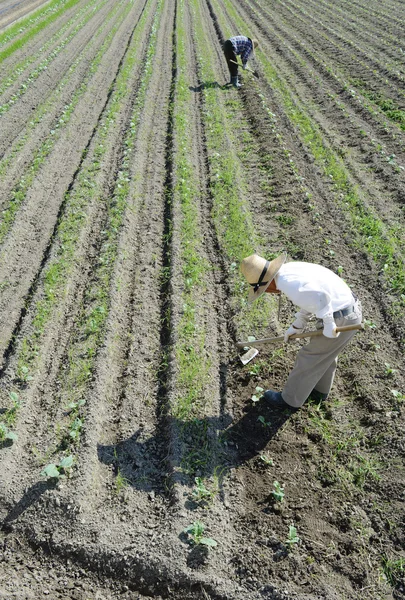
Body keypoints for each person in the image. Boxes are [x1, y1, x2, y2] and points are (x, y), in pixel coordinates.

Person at [240, 253, 362, 410]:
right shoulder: (289, 271)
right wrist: (299, 324)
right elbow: (311, 297)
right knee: (325, 354)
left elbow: (321, 297)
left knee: (309, 357)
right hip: (350, 310)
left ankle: (289, 401)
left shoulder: (288, 284)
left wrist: (329, 323)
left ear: (267, 283)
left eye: (264, 290)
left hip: (342, 317)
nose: (268, 292)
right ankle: (319, 391)